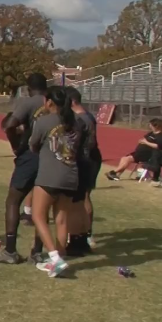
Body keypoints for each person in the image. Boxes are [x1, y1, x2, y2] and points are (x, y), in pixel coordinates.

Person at [27, 85, 87, 277]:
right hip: (71, 175)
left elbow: (33, 145)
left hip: (49, 175)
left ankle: (54, 257)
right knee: (61, 220)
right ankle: (59, 259)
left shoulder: (45, 121)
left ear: (49, 102)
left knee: (38, 216)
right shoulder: (77, 122)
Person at [0, 73, 49, 264]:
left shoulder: (28, 103)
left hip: (30, 155)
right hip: (51, 157)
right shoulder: (53, 102)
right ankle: (37, 251)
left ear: (29, 88)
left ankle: (11, 250)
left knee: (13, 201)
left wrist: (16, 145)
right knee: (43, 205)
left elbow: (9, 125)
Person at [66, 87, 98, 254]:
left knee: (79, 201)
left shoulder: (80, 119)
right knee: (83, 199)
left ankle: (80, 236)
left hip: (83, 161)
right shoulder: (88, 116)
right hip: (89, 159)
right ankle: (84, 235)